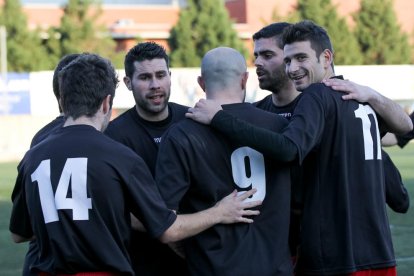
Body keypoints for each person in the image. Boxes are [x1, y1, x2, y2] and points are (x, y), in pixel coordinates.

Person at [186, 20, 412, 275]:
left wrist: (372, 95)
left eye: (270, 55)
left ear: (324, 58)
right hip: (330, 252)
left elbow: (290, 149)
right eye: (256, 55)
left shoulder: (325, 97)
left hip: (331, 254)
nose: (259, 62)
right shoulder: (263, 112)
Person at [9, 53, 261, 275]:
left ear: (63, 101)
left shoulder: (34, 156)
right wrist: (219, 212)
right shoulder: (119, 154)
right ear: (107, 102)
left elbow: (19, 233)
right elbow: (167, 229)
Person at [155, 47, 293, 276]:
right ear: (245, 79)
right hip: (275, 268)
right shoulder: (279, 128)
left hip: (212, 267)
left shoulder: (181, 135)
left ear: (201, 83)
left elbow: (164, 225)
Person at [104, 42, 190, 275]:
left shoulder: (192, 120)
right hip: (142, 262)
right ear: (128, 83)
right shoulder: (114, 136)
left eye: (161, 75)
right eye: (145, 77)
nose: (155, 85)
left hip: (196, 259)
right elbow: (115, 207)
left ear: (170, 76)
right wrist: (169, 231)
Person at [22, 53, 81, 276]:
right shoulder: (105, 139)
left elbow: (22, 228)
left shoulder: (39, 138)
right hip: (78, 259)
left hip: (40, 259)